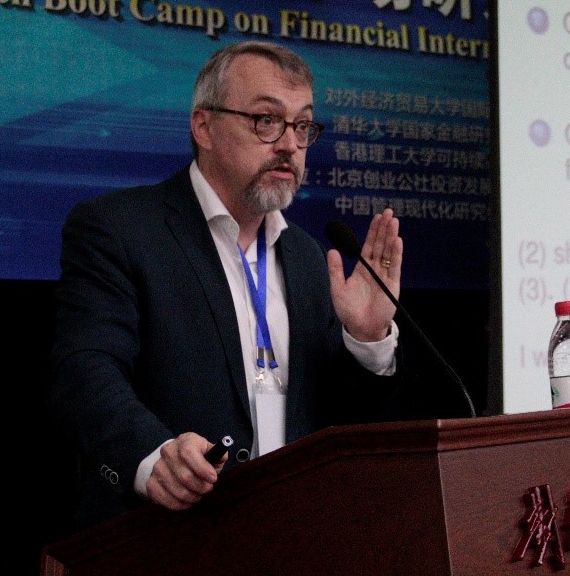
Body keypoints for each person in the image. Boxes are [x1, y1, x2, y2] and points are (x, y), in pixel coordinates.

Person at [50, 41, 406, 536]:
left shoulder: (307, 258)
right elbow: (85, 370)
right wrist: (153, 456)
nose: (289, 145)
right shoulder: (120, 230)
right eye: (266, 120)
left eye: (303, 126)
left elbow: (339, 422)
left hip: (293, 542)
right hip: (165, 542)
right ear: (204, 127)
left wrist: (366, 341)